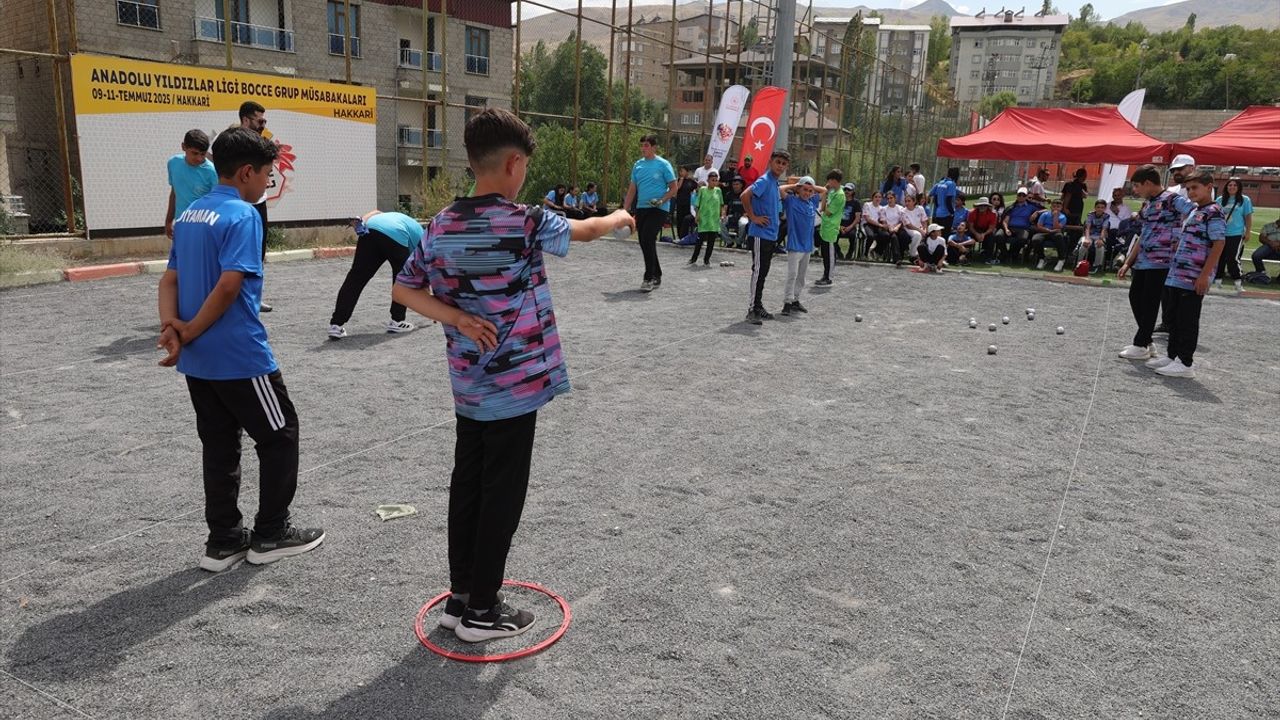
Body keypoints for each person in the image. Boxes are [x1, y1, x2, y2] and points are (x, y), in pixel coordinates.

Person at [391, 108, 634, 643]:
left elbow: (403, 291)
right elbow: (586, 229)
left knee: (469, 486)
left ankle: (460, 599)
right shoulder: (523, 219)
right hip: (515, 387)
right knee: (502, 493)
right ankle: (483, 611)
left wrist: (456, 317)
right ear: (514, 163)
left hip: (468, 386)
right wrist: (618, 216)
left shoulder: (439, 225)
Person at [156, 127, 324, 573]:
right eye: (267, 176)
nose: (265, 185)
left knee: (219, 444)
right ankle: (271, 533)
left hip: (199, 363)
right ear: (247, 172)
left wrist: (172, 329)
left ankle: (224, 540)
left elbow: (168, 280)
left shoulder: (191, 215)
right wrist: (187, 330)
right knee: (280, 435)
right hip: (239, 356)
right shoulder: (244, 216)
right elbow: (230, 285)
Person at [1148, 170, 1226, 378]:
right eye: (1188, 189)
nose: (1190, 192)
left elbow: (1219, 243)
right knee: (1173, 318)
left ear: (1209, 187)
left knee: (1187, 320)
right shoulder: (1194, 211)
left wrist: (1204, 276)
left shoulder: (1214, 211)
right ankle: (1172, 355)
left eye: (1195, 188)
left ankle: (1185, 362)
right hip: (1178, 273)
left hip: (1193, 276)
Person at [1116, 164, 1195, 360]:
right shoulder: (1149, 203)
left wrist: (1180, 238)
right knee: (1136, 297)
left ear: (1148, 183)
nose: (1135, 190)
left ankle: (1141, 343)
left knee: (1150, 302)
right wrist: (1128, 261)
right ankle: (1147, 341)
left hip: (1162, 261)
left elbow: (1195, 212)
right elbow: (1143, 234)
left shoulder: (1172, 199)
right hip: (1143, 260)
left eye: (1137, 186)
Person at [327, 211, 423, 339]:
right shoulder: (424, 237)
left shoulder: (390, 215)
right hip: (396, 234)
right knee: (402, 278)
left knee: (356, 278)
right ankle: (397, 320)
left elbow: (375, 211)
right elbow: (423, 271)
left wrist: (363, 221)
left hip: (369, 230)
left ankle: (336, 324)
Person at [623, 135, 677, 293]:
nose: (643, 148)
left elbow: (674, 188)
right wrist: (624, 210)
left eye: (646, 145)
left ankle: (648, 277)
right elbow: (632, 189)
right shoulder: (637, 165)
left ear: (654, 147)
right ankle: (657, 273)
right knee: (644, 241)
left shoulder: (663, 164)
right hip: (642, 208)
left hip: (659, 209)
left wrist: (662, 200)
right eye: (642, 146)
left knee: (647, 237)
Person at [741, 150, 789, 325]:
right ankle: (752, 309)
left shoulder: (774, 184)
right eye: (778, 162)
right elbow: (745, 196)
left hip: (770, 235)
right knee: (758, 271)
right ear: (771, 162)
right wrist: (753, 217)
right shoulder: (764, 180)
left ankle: (758, 305)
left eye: (784, 164)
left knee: (763, 272)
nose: (780, 166)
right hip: (760, 235)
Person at [238, 101, 274, 312]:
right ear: (245, 119)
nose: (263, 125)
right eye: (260, 120)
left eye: (264, 120)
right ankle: (232, 297)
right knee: (237, 251)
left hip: (258, 203)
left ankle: (255, 298)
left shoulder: (262, 141)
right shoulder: (231, 140)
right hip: (239, 203)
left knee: (259, 252)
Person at [164, 129, 218, 240]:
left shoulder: (212, 172)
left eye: (203, 154)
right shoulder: (173, 163)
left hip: (203, 227)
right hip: (181, 224)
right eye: (194, 153)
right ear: (183, 147)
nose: (199, 158)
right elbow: (174, 193)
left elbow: (217, 203)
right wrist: (169, 221)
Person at [780, 176, 818, 315]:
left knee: (801, 276)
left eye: (809, 191)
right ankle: (787, 302)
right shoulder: (791, 201)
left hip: (807, 246)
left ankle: (796, 299)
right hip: (795, 245)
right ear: (798, 189)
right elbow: (780, 189)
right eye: (804, 190)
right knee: (792, 274)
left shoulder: (812, 202)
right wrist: (795, 185)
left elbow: (824, 190)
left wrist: (811, 187)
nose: (807, 193)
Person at [1215, 177, 1252, 293]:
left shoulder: (1245, 200)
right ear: (1226, 187)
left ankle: (1238, 281)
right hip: (1221, 233)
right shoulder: (1220, 199)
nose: (1232, 187)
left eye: (1235, 185)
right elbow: (1215, 216)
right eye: (1230, 185)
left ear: (1239, 187)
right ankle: (1217, 281)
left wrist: (1248, 232)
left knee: (1232, 258)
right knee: (1219, 257)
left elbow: (1248, 217)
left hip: (1236, 233)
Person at [689, 170, 725, 266]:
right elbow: (697, 204)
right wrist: (697, 215)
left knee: (711, 242)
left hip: (714, 220)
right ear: (708, 180)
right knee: (699, 241)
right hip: (704, 219)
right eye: (712, 180)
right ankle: (693, 258)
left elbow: (721, 204)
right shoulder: (702, 190)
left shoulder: (718, 191)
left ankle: (706, 260)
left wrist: (722, 214)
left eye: (716, 180)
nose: (714, 182)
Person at [815, 170, 845, 286]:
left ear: (834, 181)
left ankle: (829, 276)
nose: (828, 183)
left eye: (829, 180)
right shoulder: (832, 192)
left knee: (830, 254)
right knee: (825, 253)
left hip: (831, 228)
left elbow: (826, 211)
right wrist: (825, 193)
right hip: (825, 226)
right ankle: (825, 274)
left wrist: (824, 196)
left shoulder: (839, 195)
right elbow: (823, 208)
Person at [1002, 187, 1038, 264]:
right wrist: (1006, 229)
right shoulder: (1011, 207)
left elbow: (1045, 209)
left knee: (1023, 238)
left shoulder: (1031, 206)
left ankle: (1011, 254)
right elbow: (1005, 220)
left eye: (1023, 195)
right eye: (1019, 195)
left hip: (1023, 228)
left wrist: (1037, 213)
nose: (1021, 197)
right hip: (1010, 227)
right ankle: (1005, 254)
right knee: (998, 236)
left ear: (1026, 196)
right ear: (1017, 196)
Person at [1033, 199, 1069, 272]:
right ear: (1051, 207)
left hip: (1055, 233)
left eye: (1058, 207)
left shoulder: (1063, 217)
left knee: (1059, 236)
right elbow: (1039, 226)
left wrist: (1055, 217)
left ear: (1061, 208)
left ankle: (1061, 260)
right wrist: (1048, 230)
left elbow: (1057, 227)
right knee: (1035, 239)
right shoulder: (1045, 214)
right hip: (1045, 231)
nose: (1056, 208)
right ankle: (1042, 258)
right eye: (1054, 206)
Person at [1105, 186, 1136, 269]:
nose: (1117, 197)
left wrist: (1117, 213)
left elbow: (1126, 223)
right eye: (1115, 195)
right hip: (1106, 229)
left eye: (1118, 195)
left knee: (1119, 240)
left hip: (1118, 231)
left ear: (1122, 196)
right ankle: (1107, 261)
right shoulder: (1107, 206)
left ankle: (1115, 260)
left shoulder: (1126, 209)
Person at [1076, 200, 1109, 273]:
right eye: (1098, 207)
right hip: (1089, 235)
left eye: (1102, 207)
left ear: (1105, 209)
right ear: (1095, 208)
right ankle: (1079, 263)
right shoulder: (1090, 215)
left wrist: (1101, 239)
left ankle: (1097, 266)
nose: (1100, 209)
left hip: (1099, 235)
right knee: (1084, 245)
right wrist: (1087, 239)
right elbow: (1087, 228)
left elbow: (1104, 229)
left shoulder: (1106, 216)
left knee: (1100, 246)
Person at [879, 191, 910, 267]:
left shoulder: (900, 208)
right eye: (888, 198)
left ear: (895, 198)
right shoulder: (884, 209)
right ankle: (897, 259)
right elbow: (883, 221)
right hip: (888, 228)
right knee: (894, 237)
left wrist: (897, 227)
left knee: (906, 237)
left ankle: (902, 253)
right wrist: (890, 228)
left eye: (891, 198)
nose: (889, 200)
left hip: (898, 227)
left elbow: (902, 220)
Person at [965, 198, 998, 264]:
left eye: (984, 205)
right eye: (981, 205)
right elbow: (970, 226)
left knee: (991, 237)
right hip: (974, 229)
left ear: (988, 206)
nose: (982, 207)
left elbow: (991, 228)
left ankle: (988, 258)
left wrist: (984, 234)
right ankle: (966, 255)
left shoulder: (993, 214)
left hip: (986, 230)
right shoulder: (972, 213)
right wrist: (976, 234)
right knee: (968, 235)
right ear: (978, 206)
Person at [861, 191, 889, 260]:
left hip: (877, 226)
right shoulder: (867, 205)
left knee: (886, 235)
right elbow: (868, 219)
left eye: (879, 197)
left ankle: (876, 251)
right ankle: (865, 253)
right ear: (872, 198)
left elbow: (883, 219)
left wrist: (885, 225)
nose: (877, 198)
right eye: (876, 197)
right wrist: (880, 225)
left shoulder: (881, 208)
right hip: (867, 224)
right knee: (870, 236)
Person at [900, 193, 928, 262]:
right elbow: (908, 225)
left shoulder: (920, 208)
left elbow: (924, 221)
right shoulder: (903, 211)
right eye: (906, 201)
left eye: (909, 201)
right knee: (917, 235)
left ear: (914, 201)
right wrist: (920, 231)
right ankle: (913, 254)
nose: (907, 203)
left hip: (920, 228)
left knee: (929, 235)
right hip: (909, 229)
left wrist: (925, 230)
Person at [675, 166, 699, 239]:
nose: (681, 172)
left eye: (682, 171)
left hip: (688, 204)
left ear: (687, 172)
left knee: (686, 220)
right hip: (680, 203)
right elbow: (677, 188)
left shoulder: (691, 181)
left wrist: (693, 179)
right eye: (680, 171)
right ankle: (680, 236)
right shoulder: (678, 180)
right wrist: (681, 179)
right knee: (679, 220)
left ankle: (686, 235)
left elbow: (698, 187)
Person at [838, 183, 861, 261]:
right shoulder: (839, 201)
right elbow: (836, 216)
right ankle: (838, 252)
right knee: (833, 234)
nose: (847, 191)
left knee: (852, 236)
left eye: (849, 190)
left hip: (851, 226)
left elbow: (857, 218)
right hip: (839, 226)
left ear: (853, 192)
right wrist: (840, 226)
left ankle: (850, 253)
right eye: (845, 189)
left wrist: (850, 227)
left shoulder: (856, 203)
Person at [723, 177, 746, 247]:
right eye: (734, 184)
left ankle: (739, 242)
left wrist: (746, 214)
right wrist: (723, 215)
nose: (735, 186)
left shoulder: (745, 194)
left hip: (743, 215)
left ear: (741, 185)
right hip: (731, 215)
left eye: (737, 184)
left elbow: (750, 207)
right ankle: (729, 242)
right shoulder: (728, 194)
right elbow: (725, 207)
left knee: (743, 224)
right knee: (720, 223)